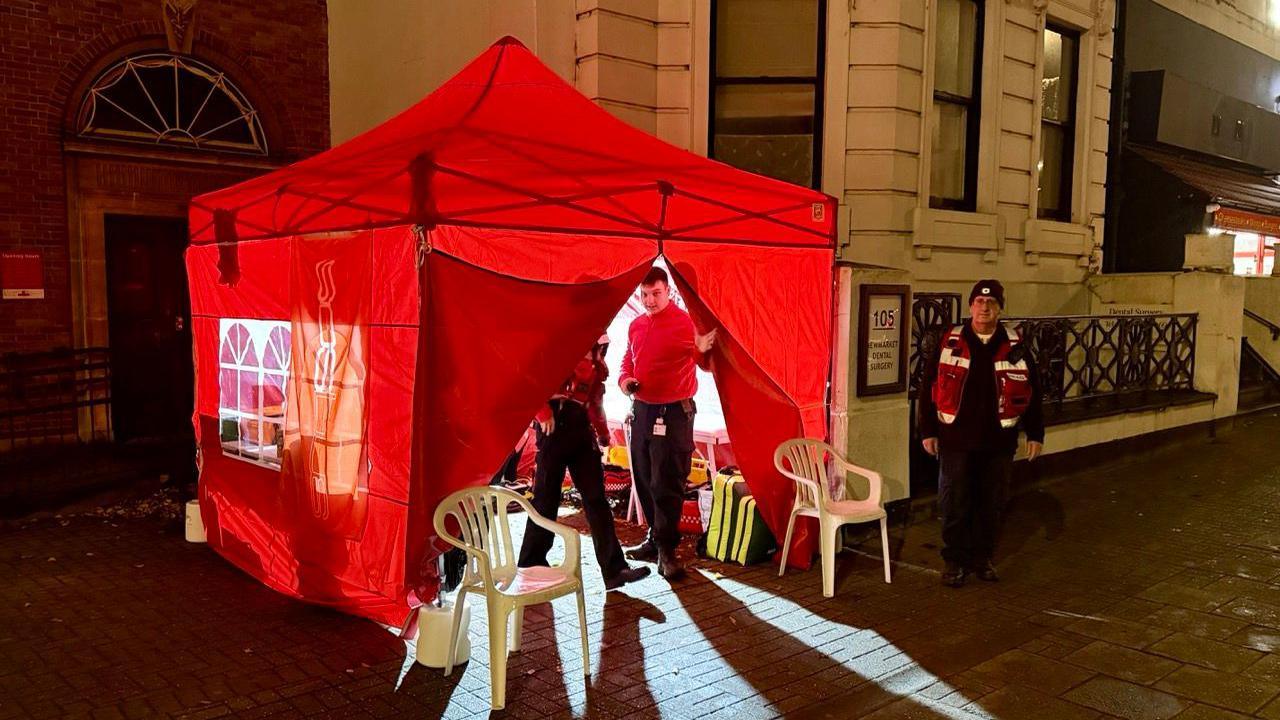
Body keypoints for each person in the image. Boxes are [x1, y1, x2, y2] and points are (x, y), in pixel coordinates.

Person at [917, 279, 1044, 587]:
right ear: (971, 306)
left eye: (991, 303)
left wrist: (1036, 433)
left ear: (1000, 308)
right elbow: (927, 388)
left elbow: (1034, 391)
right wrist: (928, 431)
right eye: (979, 302)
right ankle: (954, 561)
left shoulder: (1017, 345)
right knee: (954, 501)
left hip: (999, 441)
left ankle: (982, 558)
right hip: (955, 439)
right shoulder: (950, 341)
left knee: (992, 502)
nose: (984, 307)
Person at [518, 335, 650, 590]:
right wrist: (543, 412)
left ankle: (615, 570)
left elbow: (594, 398)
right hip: (553, 424)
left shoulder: (598, 351)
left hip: (580, 428)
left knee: (596, 498)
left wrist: (602, 432)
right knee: (546, 498)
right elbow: (529, 377)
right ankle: (531, 564)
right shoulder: (560, 341)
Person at [619, 266, 717, 580]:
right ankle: (654, 539)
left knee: (669, 482)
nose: (649, 300)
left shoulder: (686, 323)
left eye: (655, 293)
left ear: (669, 291)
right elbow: (627, 360)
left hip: (674, 413)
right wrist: (625, 381)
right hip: (643, 410)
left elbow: (706, 364)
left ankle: (668, 550)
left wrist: (701, 349)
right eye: (644, 294)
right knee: (645, 478)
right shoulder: (635, 324)